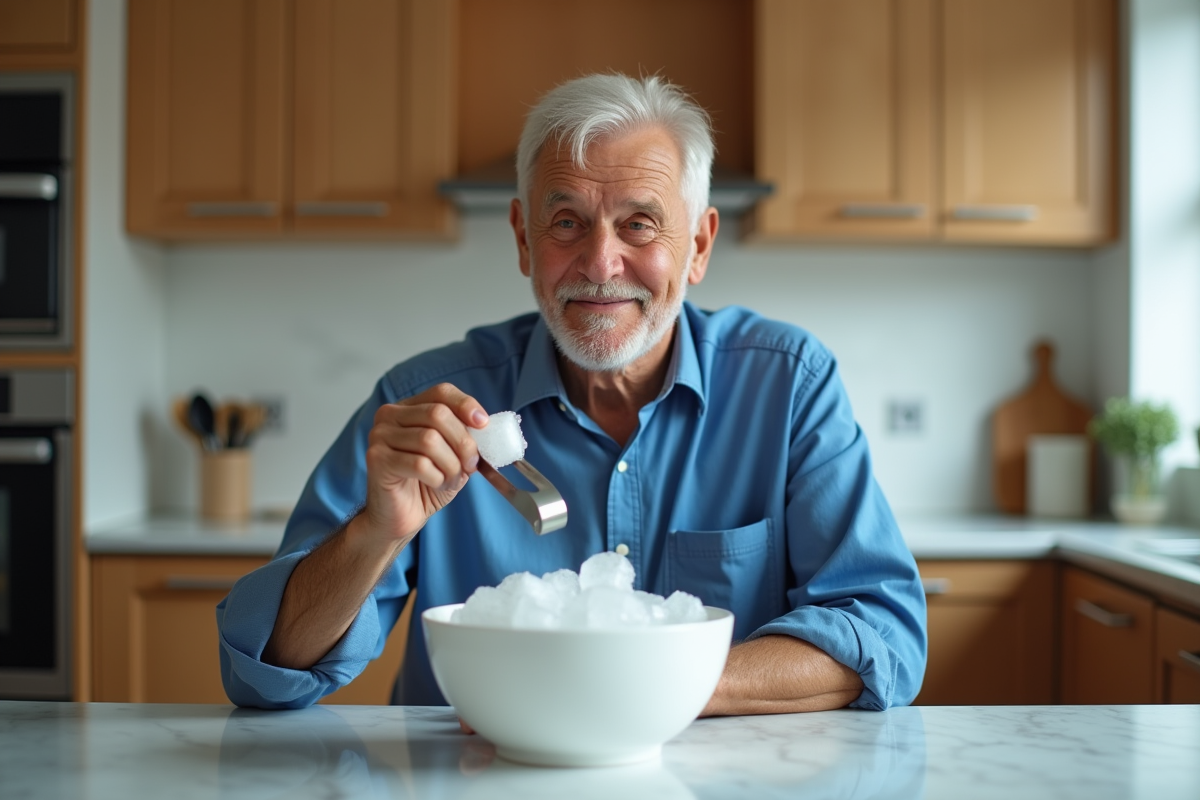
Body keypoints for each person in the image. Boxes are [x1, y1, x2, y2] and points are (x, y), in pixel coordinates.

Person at [216, 73, 927, 714]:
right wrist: (376, 533)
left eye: (639, 224)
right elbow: (262, 673)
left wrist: (650, 687)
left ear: (700, 245)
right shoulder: (421, 405)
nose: (599, 261)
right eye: (566, 223)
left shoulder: (789, 386)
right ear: (525, 240)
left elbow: (882, 633)